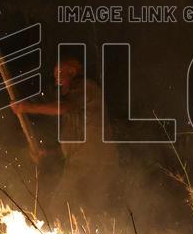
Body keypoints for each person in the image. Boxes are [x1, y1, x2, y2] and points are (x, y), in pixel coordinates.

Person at [11, 58, 119, 213]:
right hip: (87, 161)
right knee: (84, 209)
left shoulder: (85, 87)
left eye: (60, 73)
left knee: (60, 206)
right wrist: (48, 153)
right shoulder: (76, 106)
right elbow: (74, 140)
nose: (57, 78)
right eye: (55, 75)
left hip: (92, 161)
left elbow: (62, 108)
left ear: (72, 72)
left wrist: (27, 107)